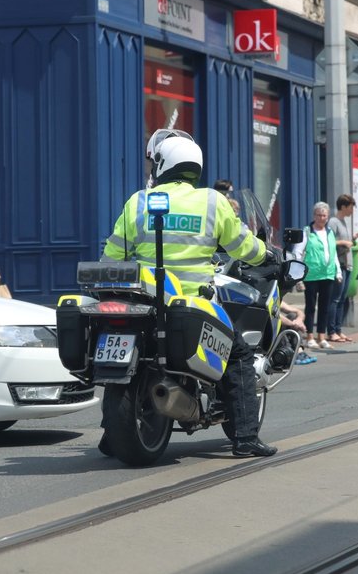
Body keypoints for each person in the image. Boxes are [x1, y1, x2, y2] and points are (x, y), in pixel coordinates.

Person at [101, 128, 276, 458]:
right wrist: (266, 255)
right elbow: (243, 248)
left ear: (163, 164)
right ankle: (246, 438)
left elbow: (112, 255)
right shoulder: (213, 201)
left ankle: (112, 435)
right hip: (195, 302)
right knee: (237, 355)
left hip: (143, 300)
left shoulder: (138, 201)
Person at [292, 201, 340, 351]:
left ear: (328, 216)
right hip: (311, 275)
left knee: (325, 307)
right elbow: (297, 252)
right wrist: (298, 276)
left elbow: (334, 253)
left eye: (324, 215)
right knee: (311, 307)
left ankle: (321, 336)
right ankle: (310, 336)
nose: (321, 218)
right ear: (314, 216)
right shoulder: (307, 232)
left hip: (328, 274)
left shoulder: (330, 232)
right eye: (318, 215)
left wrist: (337, 271)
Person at [327, 194, 358, 343]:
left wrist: (352, 239)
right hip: (339, 264)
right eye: (351, 207)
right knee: (335, 298)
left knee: (342, 299)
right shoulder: (333, 221)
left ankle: (338, 330)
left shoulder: (343, 222)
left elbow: (343, 241)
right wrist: (344, 242)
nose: (352, 210)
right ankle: (331, 331)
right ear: (344, 206)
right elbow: (329, 241)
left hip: (348, 264)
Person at [280, 300, 317, 365]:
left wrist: (299, 320)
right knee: (275, 322)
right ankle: (289, 352)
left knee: (293, 315)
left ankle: (299, 351)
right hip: (267, 334)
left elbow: (299, 311)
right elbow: (275, 315)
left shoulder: (274, 298)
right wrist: (293, 324)